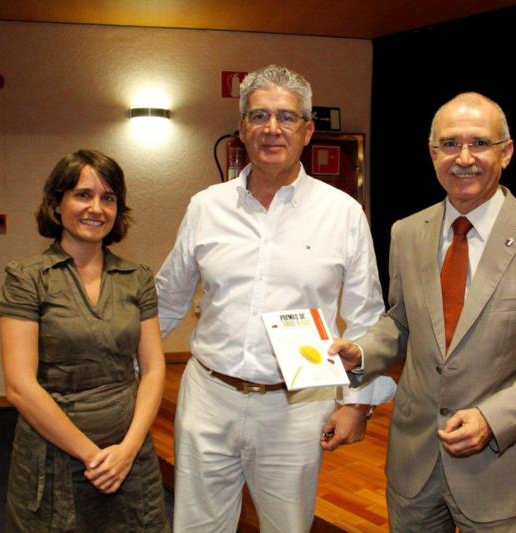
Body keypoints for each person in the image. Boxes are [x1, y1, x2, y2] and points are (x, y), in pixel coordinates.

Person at [330, 92, 516, 532]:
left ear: (505, 152)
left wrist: (493, 418)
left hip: (496, 469)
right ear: (433, 154)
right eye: (450, 144)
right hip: (412, 464)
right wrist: (361, 352)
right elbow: (400, 321)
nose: (464, 158)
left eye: (480, 144)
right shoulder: (407, 231)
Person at [156, 64, 395, 532]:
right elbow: (167, 299)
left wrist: (357, 404)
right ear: (242, 128)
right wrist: (127, 373)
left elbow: (367, 317)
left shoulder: (343, 214)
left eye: (286, 117)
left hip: (297, 407)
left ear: (308, 131)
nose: (272, 129)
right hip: (210, 395)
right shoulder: (206, 206)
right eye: (259, 115)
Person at [0, 150, 170, 532]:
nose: (96, 208)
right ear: (57, 203)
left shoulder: (136, 277)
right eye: (83, 194)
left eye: (108, 198)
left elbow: (153, 370)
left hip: (128, 450)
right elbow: (19, 387)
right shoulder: (27, 278)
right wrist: (94, 457)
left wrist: (127, 450)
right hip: (55, 455)